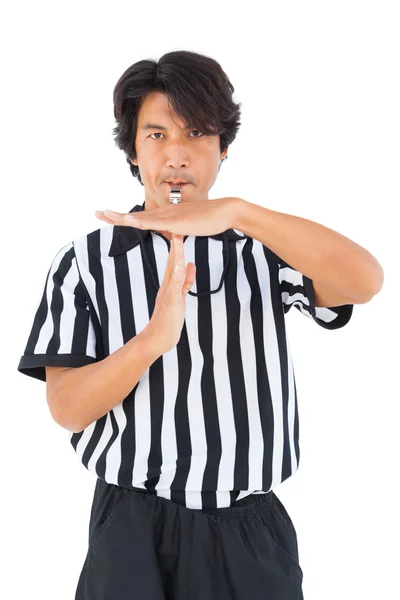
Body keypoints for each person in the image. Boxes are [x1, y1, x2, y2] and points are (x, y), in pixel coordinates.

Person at [17, 50, 383, 600]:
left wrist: (239, 213)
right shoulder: (86, 263)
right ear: (133, 153)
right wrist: (149, 343)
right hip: (131, 525)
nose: (177, 156)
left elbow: (365, 280)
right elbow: (66, 408)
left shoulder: (265, 251)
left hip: (248, 528)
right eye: (157, 135)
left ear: (223, 148)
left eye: (197, 134)